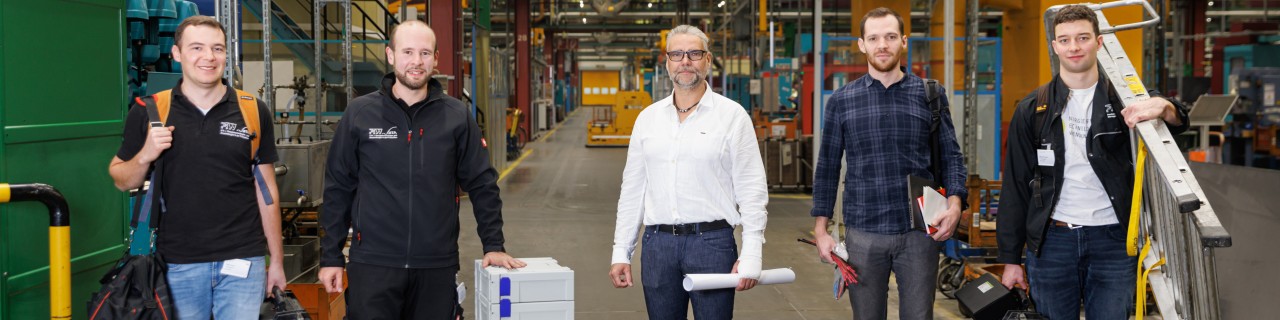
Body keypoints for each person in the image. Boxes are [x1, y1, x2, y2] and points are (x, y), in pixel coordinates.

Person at [318, 20, 525, 319]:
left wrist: (493, 244)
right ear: (390, 55)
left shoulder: (456, 116)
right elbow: (339, 187)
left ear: (436, 59)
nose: (416, 62)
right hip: (374, 264)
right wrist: (331, 256)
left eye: (425, 53)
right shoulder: (360, 114)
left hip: (436, 265)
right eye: (408, 52)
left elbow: (482, 184)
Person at [997, 5, 1189, 319]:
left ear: (1098, 43)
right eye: (1065, 40)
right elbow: (1015, 186)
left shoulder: (1126, 98)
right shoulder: (1033, 109)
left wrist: (1161, 105)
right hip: (1052, 242)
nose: (1074, 47)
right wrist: (1010, 259)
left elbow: (1178, 118)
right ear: (1054, 46)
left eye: (1083, 38)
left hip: (1113, 240)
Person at [108, 15, 286, 320]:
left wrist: (278, 262)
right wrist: (145, 155)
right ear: (177, 53)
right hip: (178, 262)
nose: (208, 57)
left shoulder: (252, 110)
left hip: (243, 259)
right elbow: (121, 180)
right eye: (196, 48)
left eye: (217, 49)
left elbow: (266, 191)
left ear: (226, 55)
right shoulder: (150, 111)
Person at [809, 7, 968, 320]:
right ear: (862, 44)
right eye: (874, 38)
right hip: (864, 233)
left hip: (920, 233)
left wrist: (955, 203)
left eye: (891, 37)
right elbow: (827, 167)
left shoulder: (930, 95)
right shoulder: (842, 100)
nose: (882, 44)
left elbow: (951, 155)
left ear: (904, 41)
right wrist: (821, 230)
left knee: (919, 316)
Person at [608, 24, 769, 320]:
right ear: (667, 61)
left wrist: (752, 252)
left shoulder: (732, 117)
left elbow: (751, 188)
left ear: (708, 60)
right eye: (677, 54)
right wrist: (621, 251)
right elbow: (632, 191)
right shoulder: (648, 119)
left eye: (694, 53)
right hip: (657, 246)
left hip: (712, 244)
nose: (685, 61)